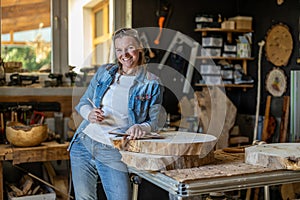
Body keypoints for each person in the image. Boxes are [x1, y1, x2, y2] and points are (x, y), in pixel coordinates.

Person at [68, 28, 165, 200]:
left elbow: (156, 121)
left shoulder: (152, 82)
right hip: (83, 143)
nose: (124, 55)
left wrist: (141, 127)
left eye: (129, 48)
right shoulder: (105, 72)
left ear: (140, 47)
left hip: (113, 148)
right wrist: (89, 113)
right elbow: (83, 102)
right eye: (119, 50)